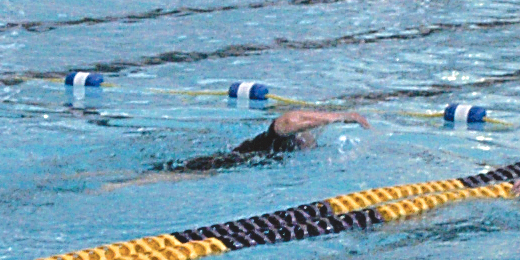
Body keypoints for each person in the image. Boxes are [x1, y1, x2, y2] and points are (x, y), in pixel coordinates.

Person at [146, 105, 367, 177]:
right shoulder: (280, 141)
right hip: (212, 166)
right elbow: (289, 119)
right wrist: (341, 116)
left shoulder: (294, 149)